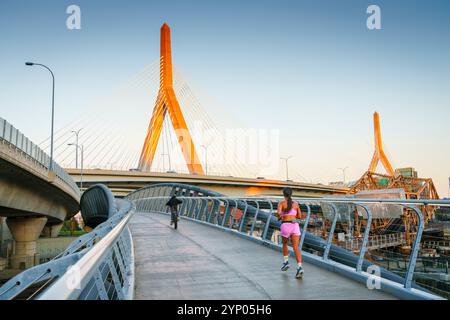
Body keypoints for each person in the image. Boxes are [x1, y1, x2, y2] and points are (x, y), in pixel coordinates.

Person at [277, 187, 304, 278]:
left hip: (285, 225)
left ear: (283, 194)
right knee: (296, 247)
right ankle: (299, 267)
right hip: (295, 226)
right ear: (291, 194)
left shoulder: (281, 203)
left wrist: (283, 215)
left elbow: (279, 214)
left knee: (284, 244)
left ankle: (286, 262)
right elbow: (300, 216)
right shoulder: (296, 204)